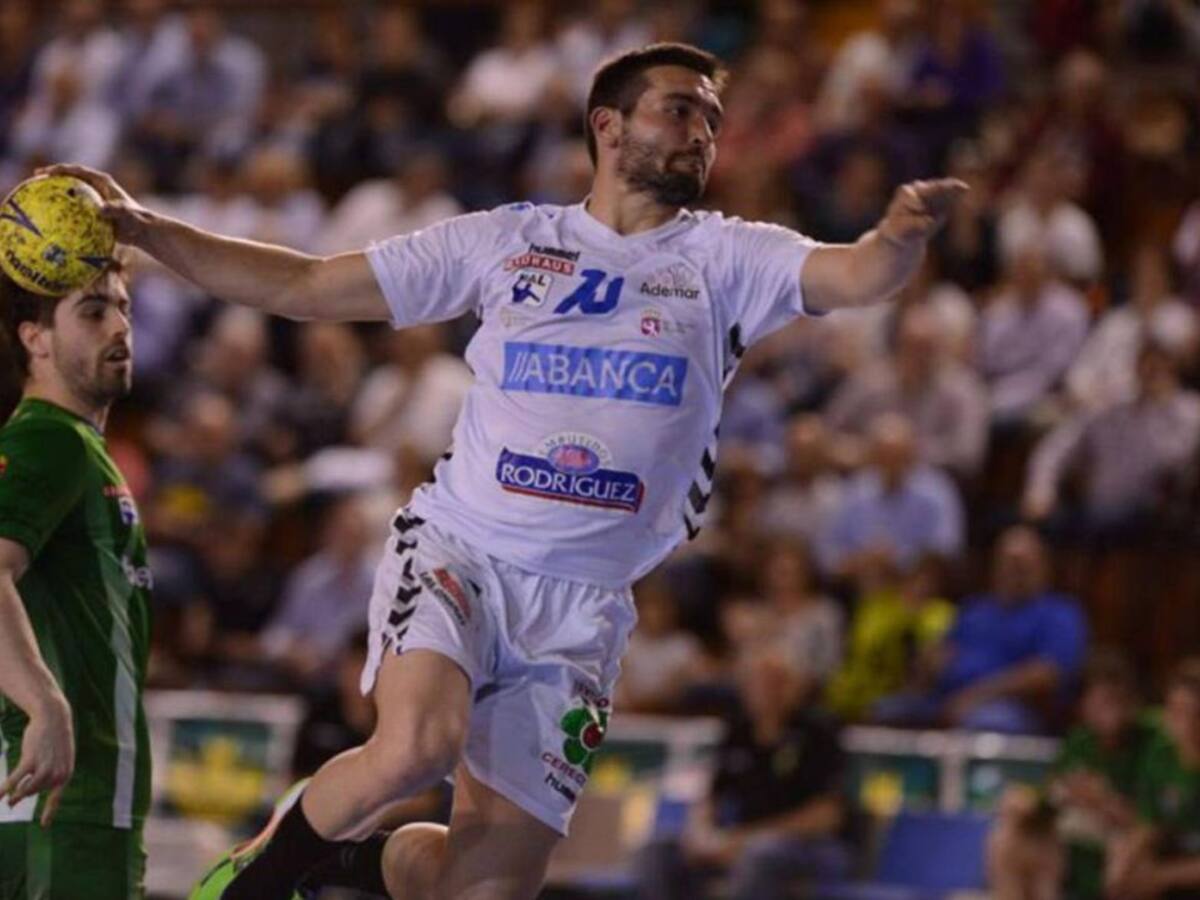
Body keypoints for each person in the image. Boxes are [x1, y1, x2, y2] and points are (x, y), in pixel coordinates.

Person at [49, 41, 966, 900]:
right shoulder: (508, 242)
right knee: (415, 746)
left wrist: (896, 240)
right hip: (463, 551)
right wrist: (146, 229)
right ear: (608, 126)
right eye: (680, 111)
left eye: (712, 121)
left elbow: (854, 277)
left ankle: (350, 863)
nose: (703, 134)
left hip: (583, 606)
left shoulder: (727, 258)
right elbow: (305, 285)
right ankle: (248, 884)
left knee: (486, 884)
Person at [0, 257, 153, 899]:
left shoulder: (80, 446)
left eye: (122, 307)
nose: (118, 326)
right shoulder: (49, 438)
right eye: (92, 312)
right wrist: (44, 702)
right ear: (35, 339)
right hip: (63, 801)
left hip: (83, 801)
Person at [634, 651, 850, 900]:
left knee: (760, 855)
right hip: (741, 838)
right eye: (757, 683)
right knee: (659, 850)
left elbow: (826, 816)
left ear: (793, 687)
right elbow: (711, 797)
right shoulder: (738, 732)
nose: (765, 691)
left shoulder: (818, 733)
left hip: (806, 846)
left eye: (775, 682)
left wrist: (744, 840)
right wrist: (701, 833)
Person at [987, 652, 1156, 900]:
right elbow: (1052, 797)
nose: (1110, 711)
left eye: (1117, 701)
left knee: (1126, 853)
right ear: (1084, 705)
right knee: (1010, 836)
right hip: (1076, 833)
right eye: (1101, 702)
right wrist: (1027, 804)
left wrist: (1104, 801)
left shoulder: (1151, 744)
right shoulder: (1079, 742)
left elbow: (1155, 824)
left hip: (1126, 839)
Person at [1107, 658, 1200, 900]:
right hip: (1174, 856)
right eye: (1172, 708)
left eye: (1185, 711)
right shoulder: (1161, 752)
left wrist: (1161, 876)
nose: (1172, 719)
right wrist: (1124, 864)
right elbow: (1149, 823)